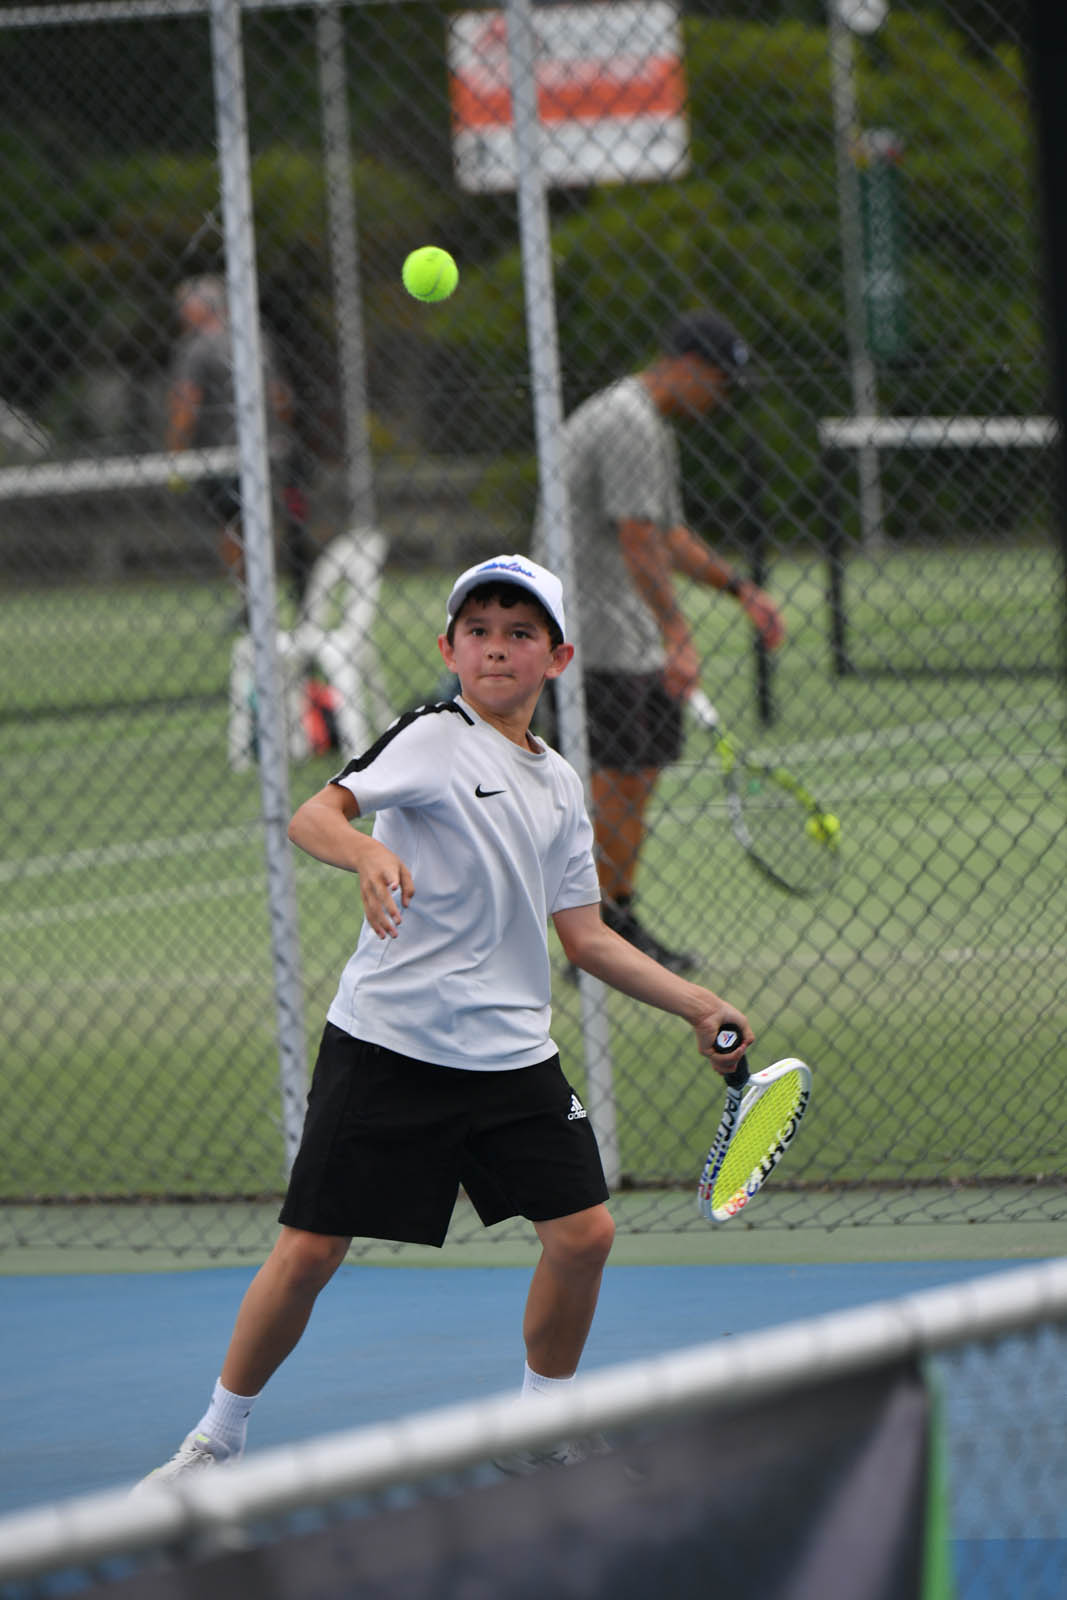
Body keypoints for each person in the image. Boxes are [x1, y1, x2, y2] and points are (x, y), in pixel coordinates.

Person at [138, 552, 754, 1487]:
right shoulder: (431, 736)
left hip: (511, 1056)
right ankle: (216, 1439)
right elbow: (314, 815)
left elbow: (585, 937)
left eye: (520, 633)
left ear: (558, 657)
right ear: (448, 649)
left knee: (584, 1236)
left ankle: (540, 1424)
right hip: (391, 1043)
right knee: (310, 1252)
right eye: (478, 631)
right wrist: (366, 856)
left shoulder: (560, 785)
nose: (496, 648)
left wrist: (698, 1004)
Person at [535, 310, 786, 973]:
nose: (720, 397)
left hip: (623, 633)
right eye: (718, 381)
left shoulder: (649, 427)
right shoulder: (627, 422)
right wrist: (677, 633)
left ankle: (615, 921)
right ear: (686, 366)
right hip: (590, 635)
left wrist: (741, 590)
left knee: (635, 777)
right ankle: (594, 937)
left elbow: (669, 536)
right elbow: (638, 538)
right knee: (612, 781)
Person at [166, 274, 315, 607]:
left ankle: (249, 597)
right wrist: (279, 434)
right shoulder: (254, 338)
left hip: (225, 456)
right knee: (269, 519)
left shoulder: (196, 347)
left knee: (233, 525)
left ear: (199, 309)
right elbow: (280, 396)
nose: (180, 315)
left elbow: (185, 403)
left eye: (184, 308)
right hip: (270, 448)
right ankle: (282, 591)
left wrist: (176, 451)